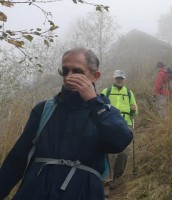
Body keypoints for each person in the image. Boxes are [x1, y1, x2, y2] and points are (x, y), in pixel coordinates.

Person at [0, 47, 133, 200]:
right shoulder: (44, 110)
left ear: (95, 76)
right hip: (35, 192)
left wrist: (94, 103)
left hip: (84, 193)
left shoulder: (105, 112)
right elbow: (18, 157)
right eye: (65, 71)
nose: (69, 77)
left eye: (77, 71)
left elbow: (120, 142)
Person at [101, 69, 138, 191]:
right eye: (117, 78)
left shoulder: (128, 93)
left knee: (123, 152)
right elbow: (99, 108)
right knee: (109, 153)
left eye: (121, 78)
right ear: (114, 79)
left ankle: (117, 177)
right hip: (110, 124)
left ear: (124, 79)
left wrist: (133, 110)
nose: (119, 80)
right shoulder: (106, 92)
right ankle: (107, 181)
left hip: (124, 123)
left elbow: (135, 111)